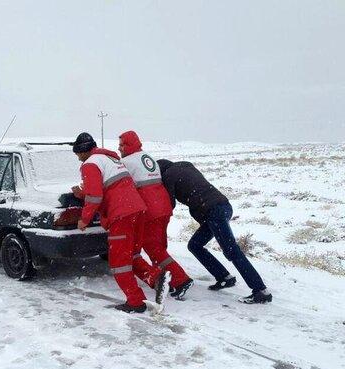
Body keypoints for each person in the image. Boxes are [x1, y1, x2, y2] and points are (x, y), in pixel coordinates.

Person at [72, 132, 167, 313]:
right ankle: (156, 279)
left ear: (83, 151)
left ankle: (135, 301)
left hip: (121, 215)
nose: (78, 158)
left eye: (77, 154)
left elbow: (95, 197)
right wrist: (81, 194)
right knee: (132, 255)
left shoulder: (90, 164)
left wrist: (84, 220)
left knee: (118, 262)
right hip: (138, 210)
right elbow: (109, 188)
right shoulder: (111, 160)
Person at [157, 159, 272, 304]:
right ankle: (224, 277)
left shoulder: (168, 175)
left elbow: (169, 204)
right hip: (223, 206)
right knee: (195, 245)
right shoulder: (185, 165)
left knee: (232, 250)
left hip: (213, 211)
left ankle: (260, 290)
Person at [118, 130, 193, 299]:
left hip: (150, 209)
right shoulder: (147, 157)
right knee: (159, 246)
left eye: (122, 144)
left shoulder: (127, 162)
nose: (119, 147)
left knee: (153, 248)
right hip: (163, 206)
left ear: (130, 144)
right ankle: (166, 281)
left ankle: (181, 280)